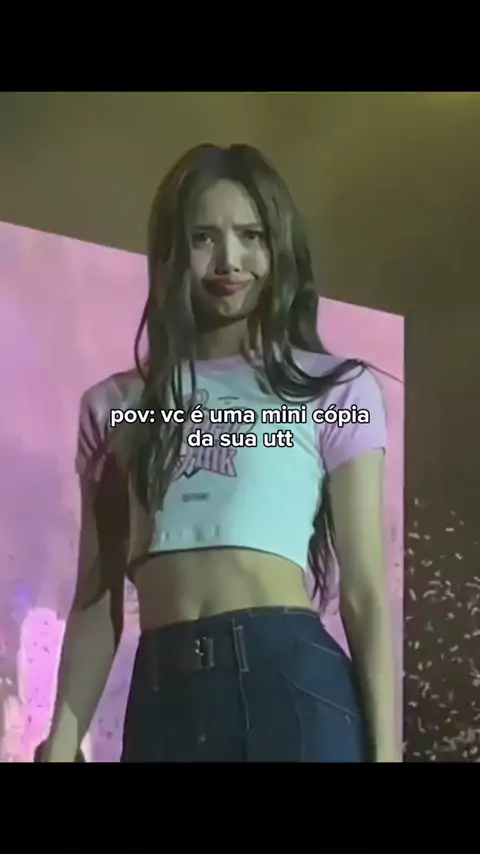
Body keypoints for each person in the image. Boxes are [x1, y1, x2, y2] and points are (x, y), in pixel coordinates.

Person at [40, 143, 398, 762]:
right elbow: (97, 598)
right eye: (203, 237)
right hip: (162, 702)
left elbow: (365, 592)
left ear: (279, 247)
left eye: (251, 236)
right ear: (171, 252)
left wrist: (388, 755)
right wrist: (61, 742)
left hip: (289, 687)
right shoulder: (115, 405)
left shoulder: (334, 389)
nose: (229, 260)